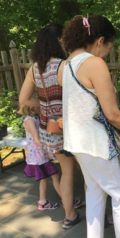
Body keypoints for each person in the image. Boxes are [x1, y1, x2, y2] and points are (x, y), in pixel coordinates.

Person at [59, 15, 120, 238]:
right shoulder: (94, 64)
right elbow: (113, 114)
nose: (108, 52)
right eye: (109, 46)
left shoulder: (65, 66)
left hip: (76, 143)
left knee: (95, 192)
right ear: (100, 41)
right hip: (97, 144)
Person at [19, 23, 81, 229]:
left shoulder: (35, 68)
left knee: (66, 172)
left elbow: (24, 100)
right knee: (81, 172)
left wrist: (44, 107)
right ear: (58, 42)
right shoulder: (64, 65)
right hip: (69, 128)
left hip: (48, 131)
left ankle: (69, 213)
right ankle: (82, 214)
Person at [20, 104, 61, 210]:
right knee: (54, 176)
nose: (40, 105)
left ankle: (43, 202)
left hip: (40, 155)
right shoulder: (29, 120)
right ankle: (67, 199)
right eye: (38, 103)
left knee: (45, 179)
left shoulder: (35, 118)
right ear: (32, 106)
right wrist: (51, 149)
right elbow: (37, 140)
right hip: (39, 156)